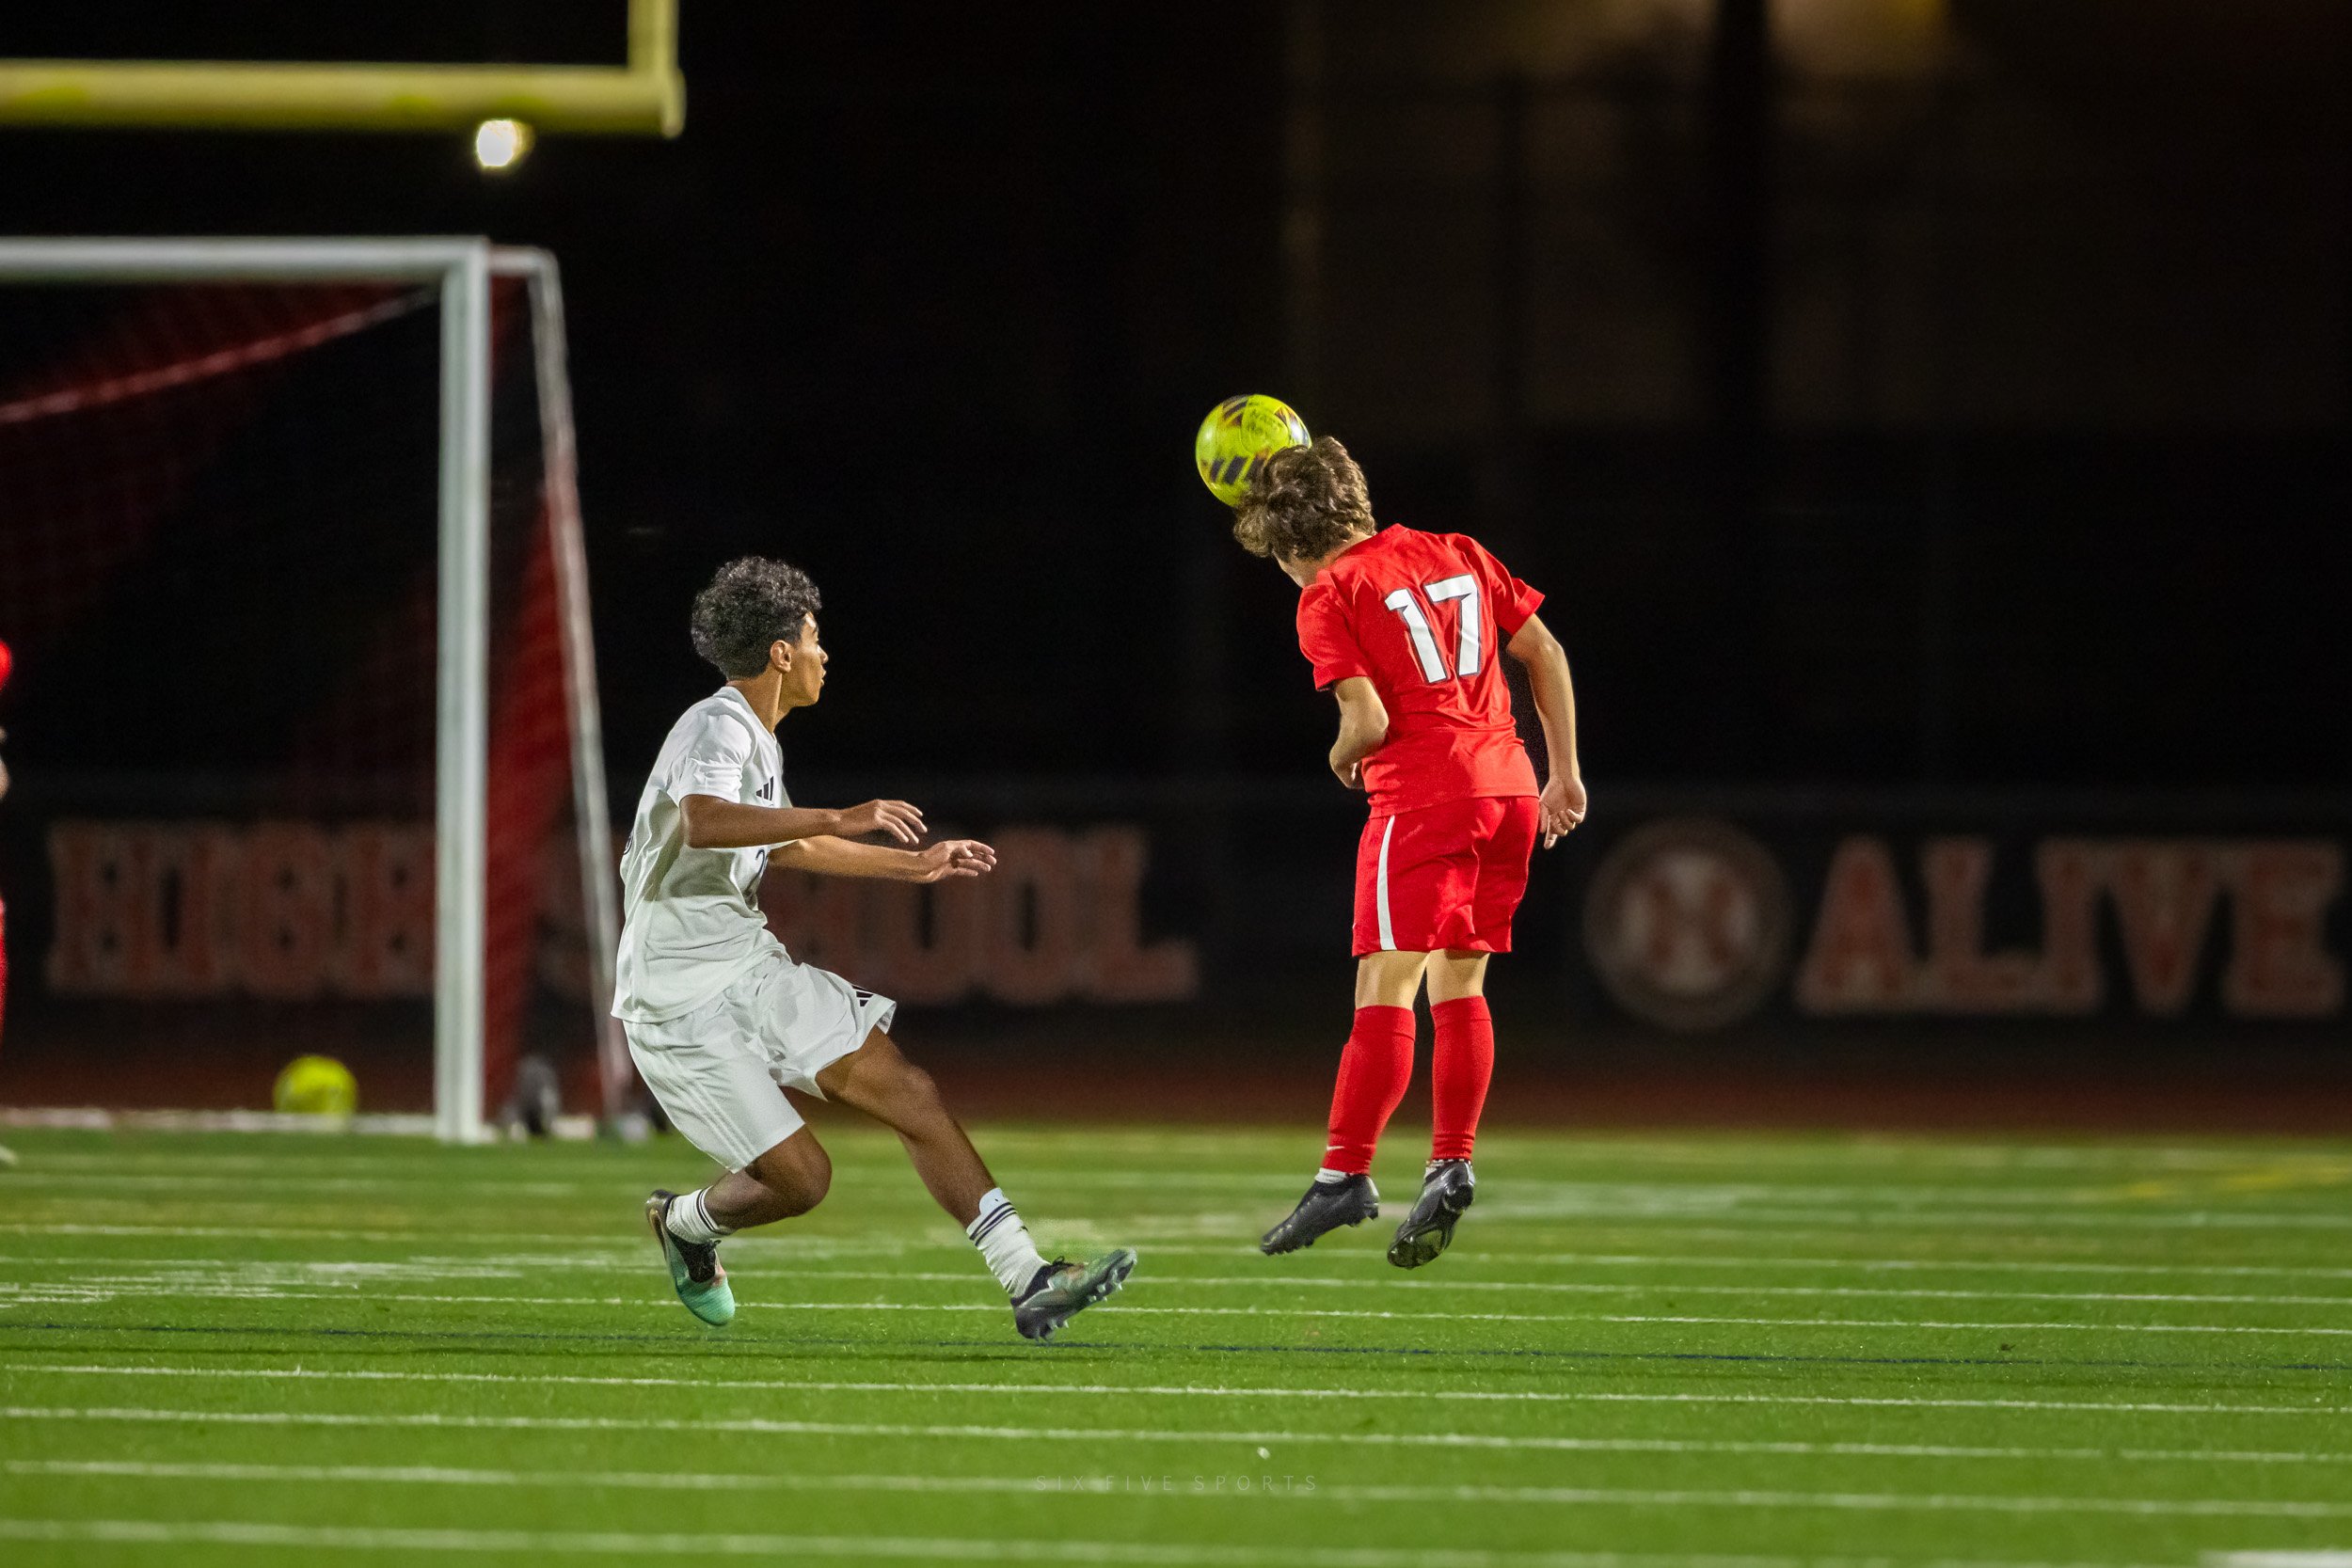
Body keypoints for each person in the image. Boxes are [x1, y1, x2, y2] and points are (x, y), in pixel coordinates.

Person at [616, 557, 1135, 1338]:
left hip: (745, 962)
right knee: (803, 1179)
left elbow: (787, 845)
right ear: (781, 653)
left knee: (908, 1089)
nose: (824, 653)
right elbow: (705, 821)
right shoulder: (715, 723)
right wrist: (838, 813)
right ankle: (686, 1222)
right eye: (813, 637)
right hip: (676, 998)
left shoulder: (756, 738)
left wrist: (916, 866)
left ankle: (1028, 1275)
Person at [1233, 438, 1585, 1268]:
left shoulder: (1328, 592)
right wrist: (1564, 775)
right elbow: (1545, 651)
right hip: (1509, 789)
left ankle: (1344, 1173)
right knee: (1460, 983)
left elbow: (1369, 723)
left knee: (1384, 986)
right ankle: (1450, 1162)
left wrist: (1339, 755)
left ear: (1291, 544)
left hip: (1424, 800)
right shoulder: (1456, 548)